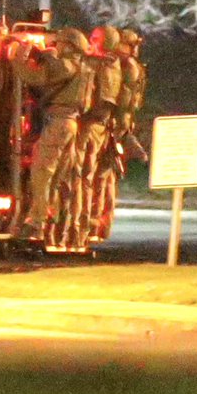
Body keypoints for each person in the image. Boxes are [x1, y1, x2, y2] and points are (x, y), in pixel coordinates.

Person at [11, 27, 94, 242]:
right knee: (58, 176)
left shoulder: (66, 65)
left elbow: (32, 76)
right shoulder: (81, 67)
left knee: (41, 171)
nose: (55, 45)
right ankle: (52, 220)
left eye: (59, 43)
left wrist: (18, 54)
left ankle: (37, 222)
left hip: (58, 123)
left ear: (69, 46)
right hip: (68, 124)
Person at [67, 25, 122, 247]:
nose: (91, 41)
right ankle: (85, 228)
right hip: (100, 128)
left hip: (89, 126)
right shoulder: (115, 66)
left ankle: (77, 229)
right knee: (89, 179)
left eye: (95, 39)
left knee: (78, 177)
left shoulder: (99, 65)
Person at [116, 29, 149, 162]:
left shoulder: (127, 65)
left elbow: (126, 96)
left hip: (120, 118)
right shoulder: (132, 65)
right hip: (124, 118)